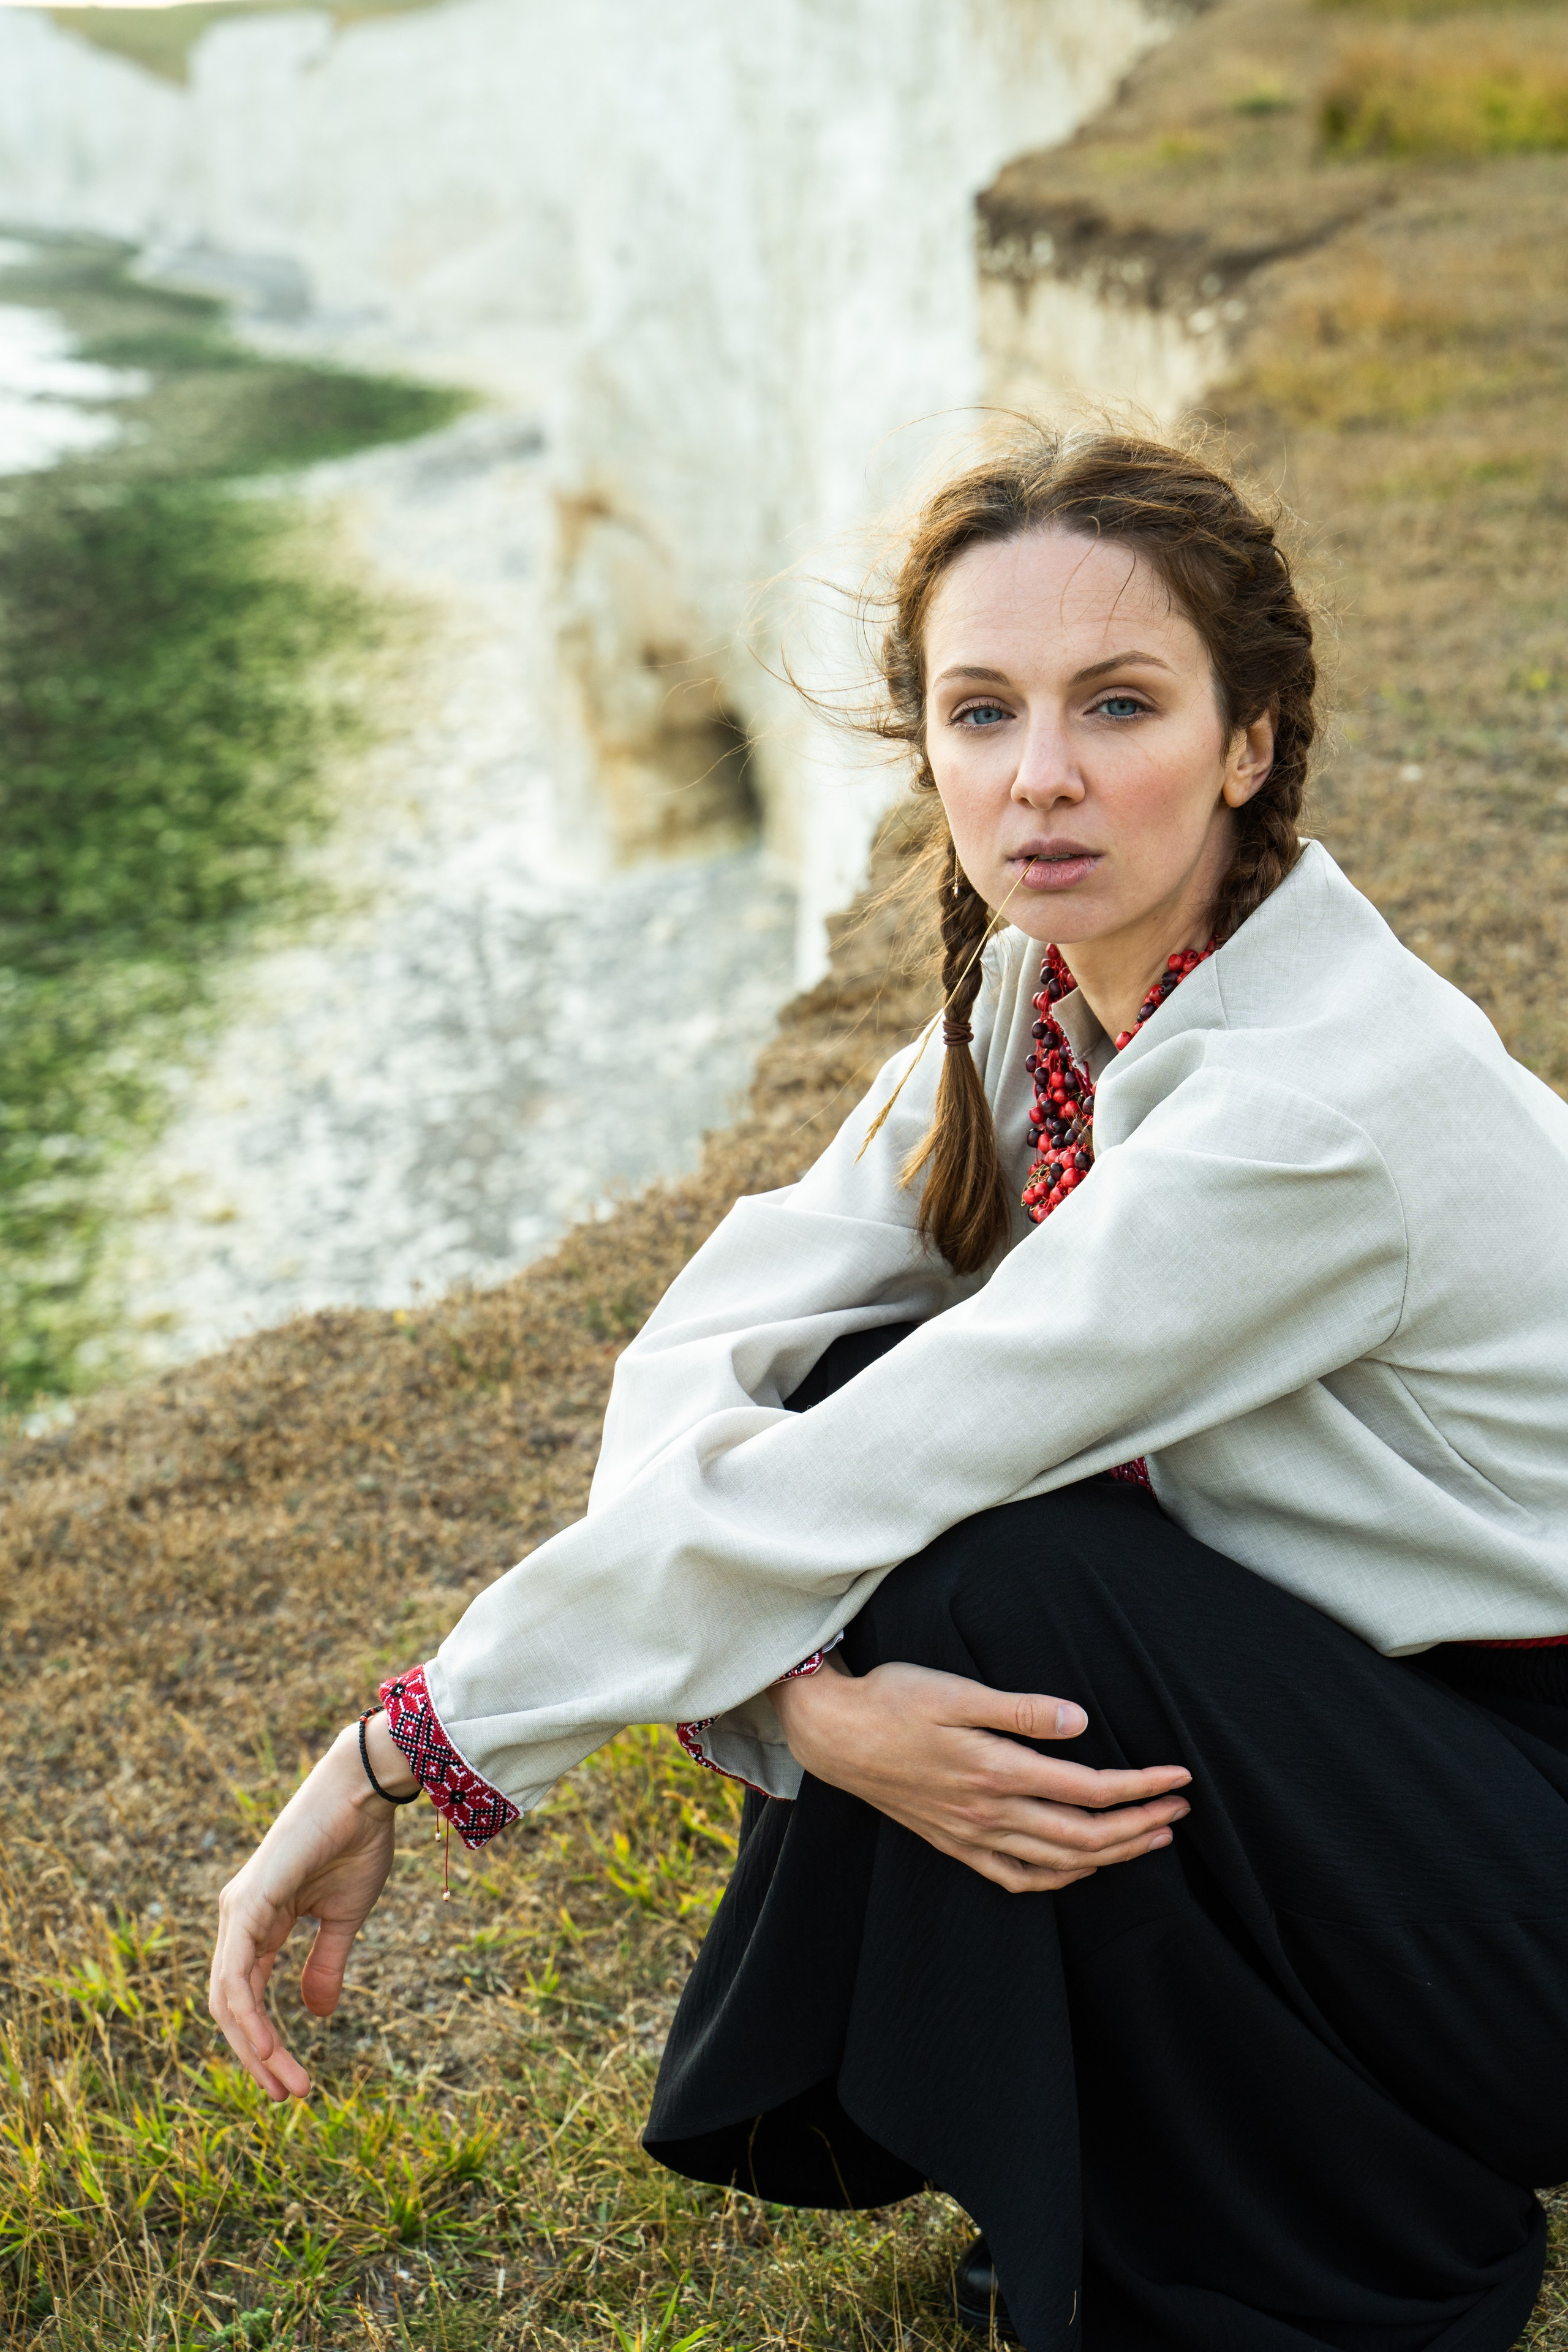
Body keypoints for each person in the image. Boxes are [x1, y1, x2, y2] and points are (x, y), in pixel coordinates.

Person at [209, 428, 1568, 2352]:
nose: (1041, 775)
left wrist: (396, 1756)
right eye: (983, 711)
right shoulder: (1050, 994)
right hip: (1418, 1764)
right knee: (874, 1414)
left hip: (1533, 1857)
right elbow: (716, 1348)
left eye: (1120, 705)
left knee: (994, 1569)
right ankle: (1185, 2159)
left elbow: (883, 1468)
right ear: (926, 746)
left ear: (1249, 741)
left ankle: (1331, 2232)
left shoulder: (1308, 1106)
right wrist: (811, 1708)